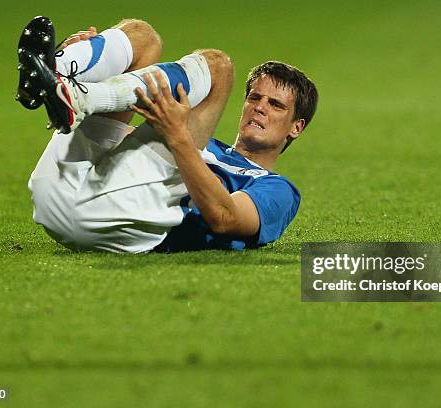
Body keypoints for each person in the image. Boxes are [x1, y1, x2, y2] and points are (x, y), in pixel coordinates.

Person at [16, 16, 318, 253]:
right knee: (142, 37)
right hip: (55, 191)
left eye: (275, 105)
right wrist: (92, 64)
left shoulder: (276, 189)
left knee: (219, 68)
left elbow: (225, 218)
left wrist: (179, 137)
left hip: (123, 221)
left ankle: (79, 94)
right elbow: (112, 139)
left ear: (296, 126)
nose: (260, 108)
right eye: (254, 98)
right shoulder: (206, 144)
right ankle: (57, 70)